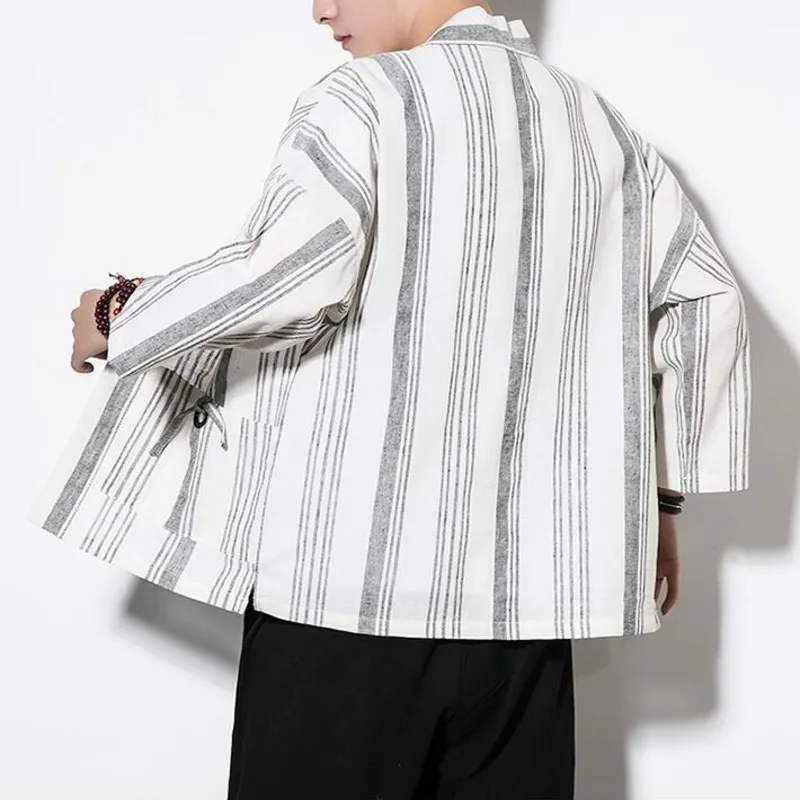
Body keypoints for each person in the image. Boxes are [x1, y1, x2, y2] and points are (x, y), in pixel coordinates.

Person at [27, 1, 751, 797]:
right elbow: (704, 300)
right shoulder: (602, 129)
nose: (320, 9)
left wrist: (120, 313)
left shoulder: (368, 97)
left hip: (344, 607)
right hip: (526, 624)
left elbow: (298, 275)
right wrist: (662, 501)